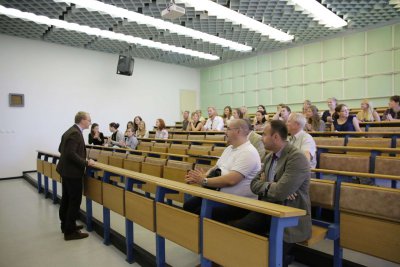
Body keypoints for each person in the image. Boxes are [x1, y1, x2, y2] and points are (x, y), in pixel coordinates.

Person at [230, 120, 311, 267]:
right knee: (236, 231)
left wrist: (275, 187)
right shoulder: (269, 157)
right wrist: (274, 186)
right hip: (267, 209)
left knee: (268, 258)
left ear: (275, 137)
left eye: (264, 134)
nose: (261, 138)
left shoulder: (296, 158)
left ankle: (283, 260)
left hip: (291, 216)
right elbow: (253, 185)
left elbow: (281, 192)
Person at [184, 119, 261, 222]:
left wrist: (204, 181)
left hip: (238, 203)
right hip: (220, 197)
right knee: (188, 205)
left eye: (228, 129)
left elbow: (231, 180)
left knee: (198, 211)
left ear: (238, 131)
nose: (225, 132)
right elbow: (216, 168)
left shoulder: (248, 152)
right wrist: (202, 177)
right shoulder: (229, 148)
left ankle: (204, 237)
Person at [57, 111, 95, 240]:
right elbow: (70, 154)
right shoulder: (75, 133)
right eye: (89, 120)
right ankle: (70, 232)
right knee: (74, 201)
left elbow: (61, 149)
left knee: (67, 199)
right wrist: (85, 162)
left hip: (67, 171)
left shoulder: (70, 131)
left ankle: (67, 225)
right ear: (83, 120)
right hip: (72, 173)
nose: (90, 122)